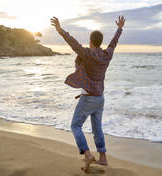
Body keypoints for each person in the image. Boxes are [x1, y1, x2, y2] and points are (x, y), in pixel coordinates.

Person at [51, 16, 125, 172]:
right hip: (100, 99)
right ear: (100, 42)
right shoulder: (107, 55)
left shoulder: (87, 54)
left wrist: (60, 30)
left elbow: (74, 43)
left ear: (91, 41)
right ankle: (103, 158)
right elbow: (113, 43)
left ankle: (87, 154)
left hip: (88, 98)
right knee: (97, 128)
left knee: (75, 126)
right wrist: (119, 28)